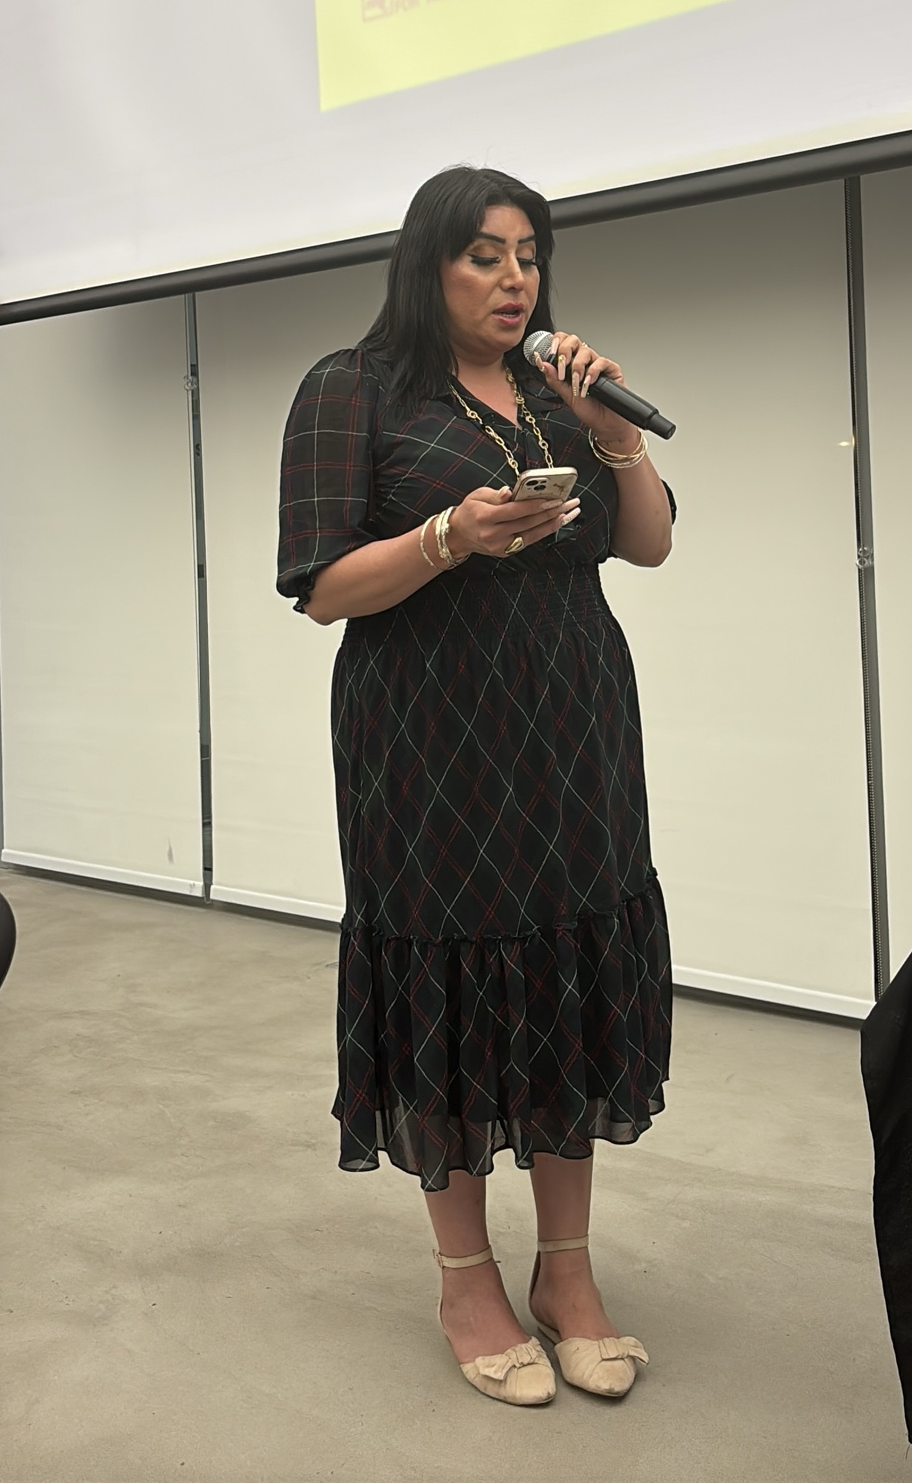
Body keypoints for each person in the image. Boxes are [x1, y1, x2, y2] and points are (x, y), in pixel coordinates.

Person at [277, 166, 674, 1406]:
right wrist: (449, 535)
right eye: (484, 255)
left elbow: (648, 540)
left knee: (568, 965)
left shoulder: (559, 392)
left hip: (573, 725)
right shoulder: (353, 386)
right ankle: (465, 1279)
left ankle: (568, 1271)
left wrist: (610, 432)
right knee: (446, 974)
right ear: (428, 265)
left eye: (529, 255)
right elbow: (321, 586)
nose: (514, 279)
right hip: (428, 736)